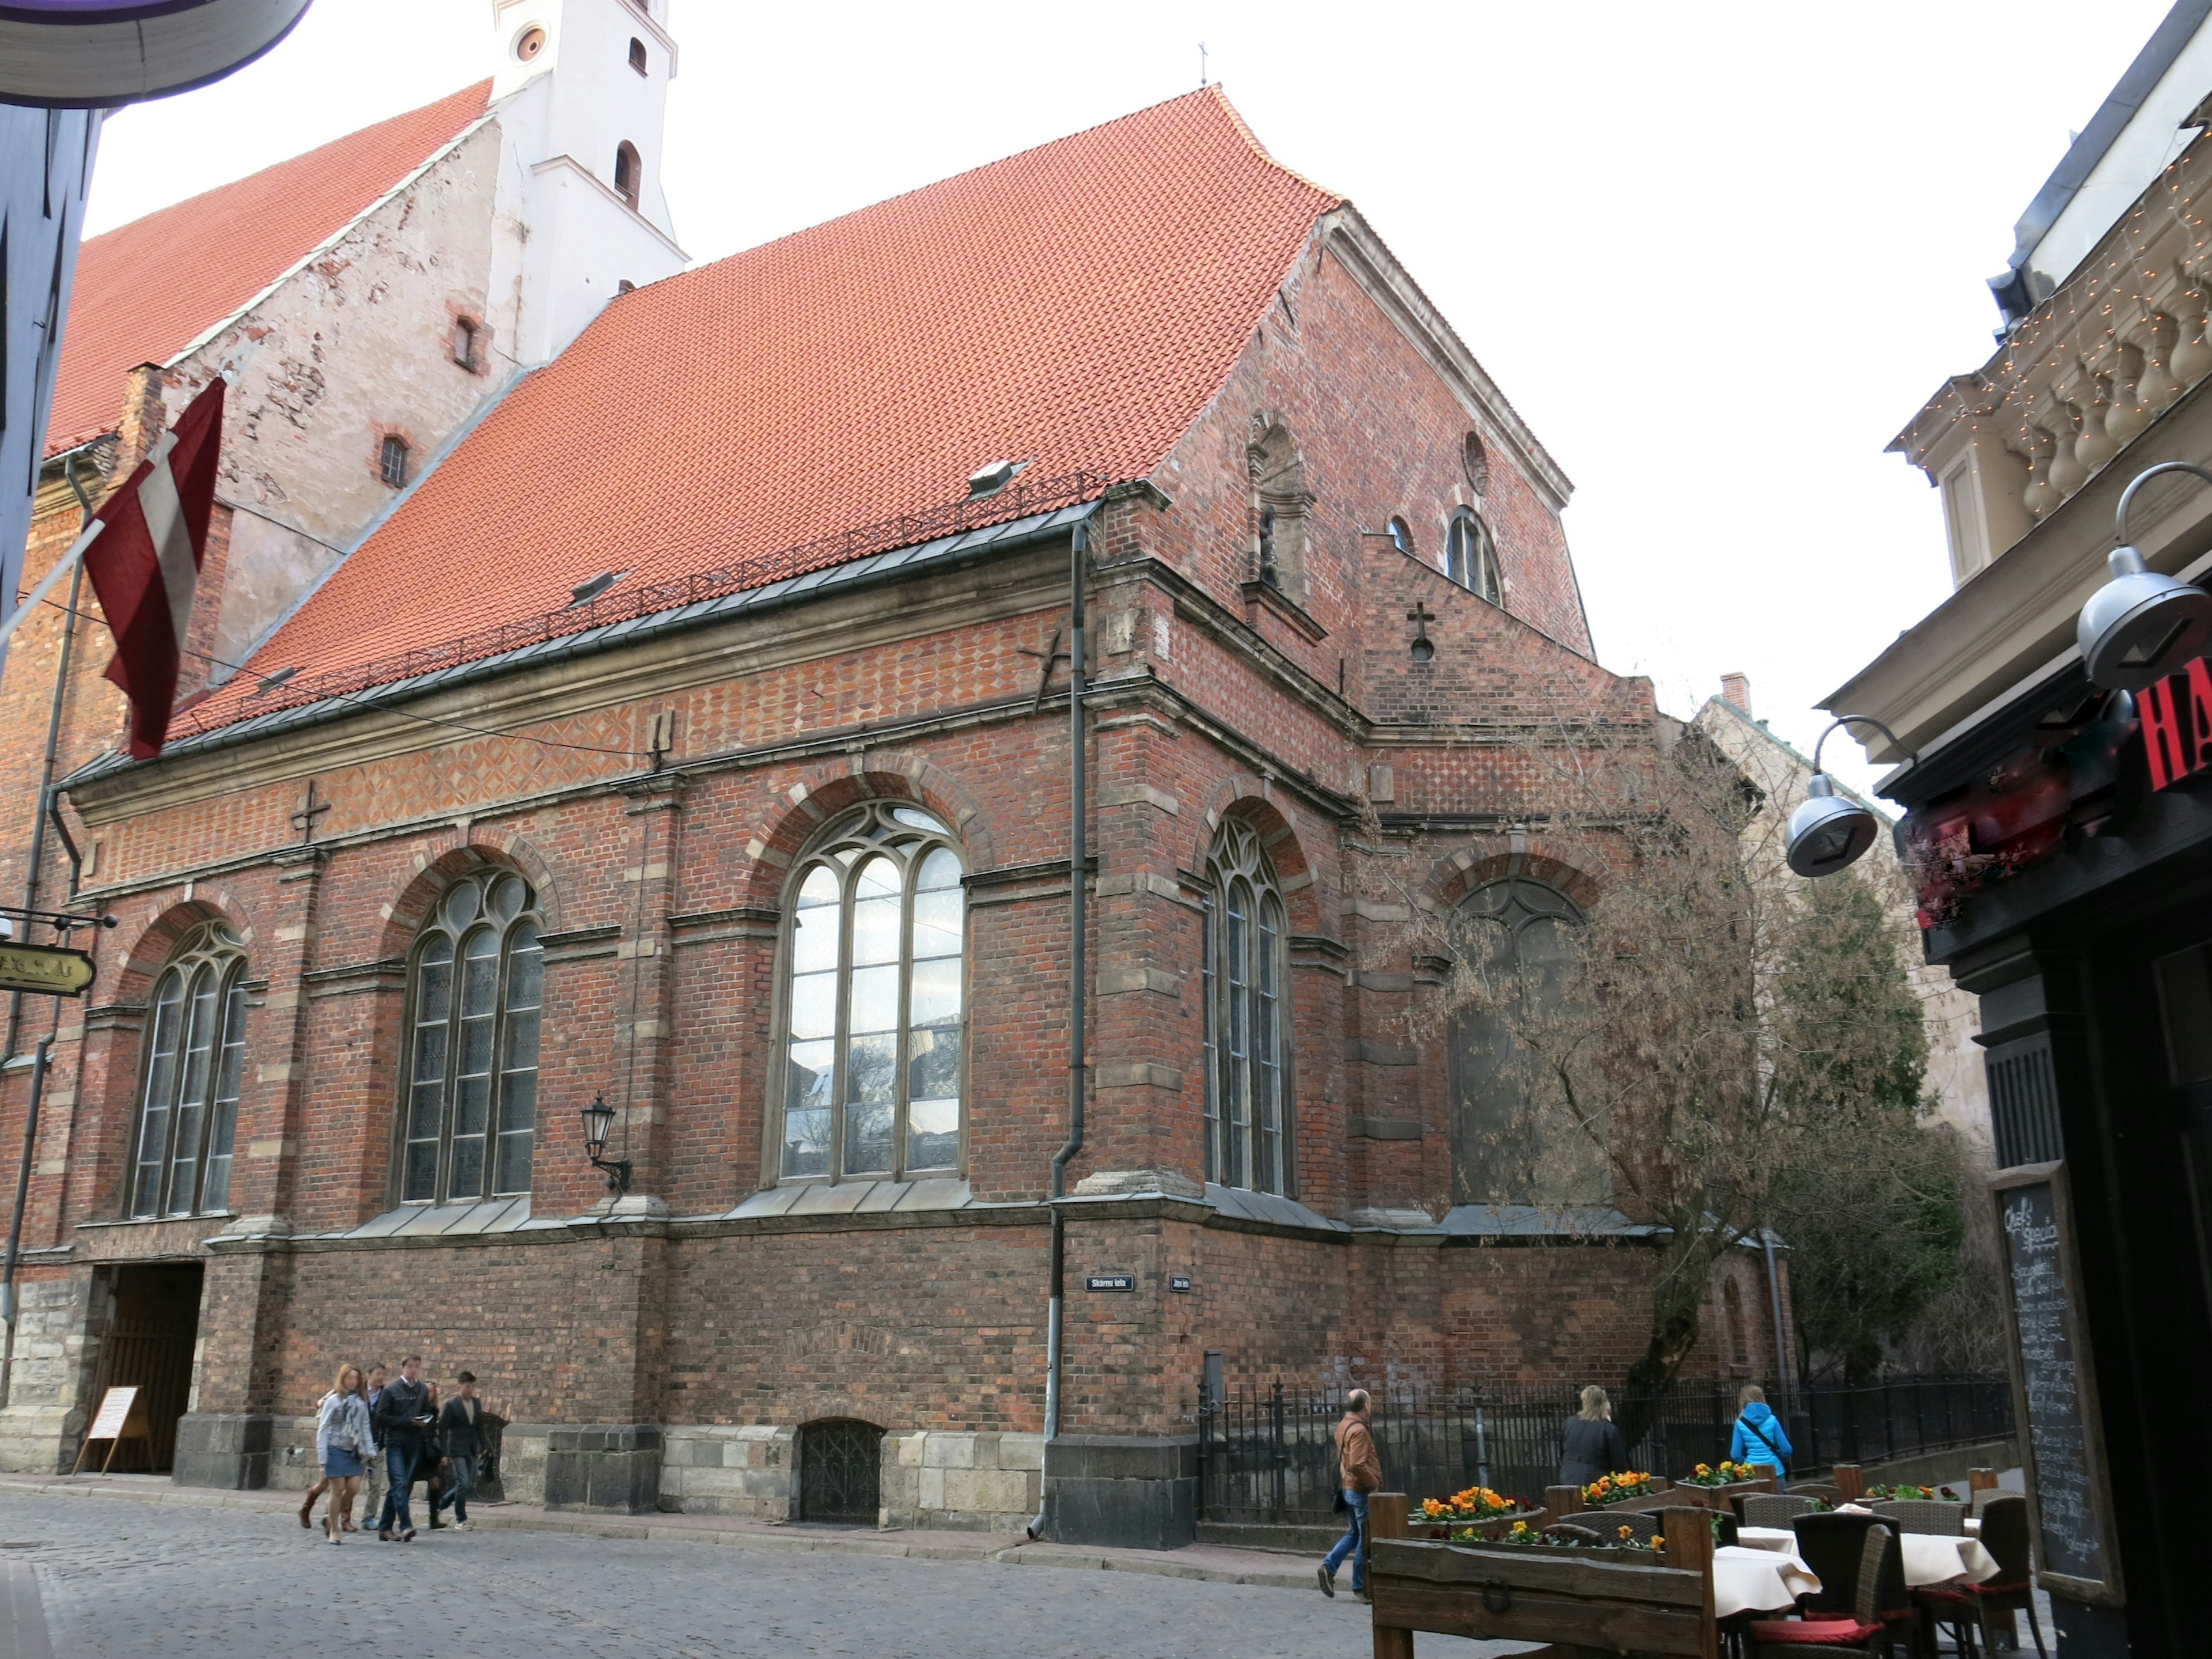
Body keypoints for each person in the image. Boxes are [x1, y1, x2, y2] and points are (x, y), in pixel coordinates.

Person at [1319, 1388, 1381, 1601]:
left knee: (1354, 1534)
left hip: (1347, 1488)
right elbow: (1357, 1464)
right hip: (1359, 1490)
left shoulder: (1344, 1425)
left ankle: (1329, 1566)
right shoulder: (1360, 1431)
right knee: (1365, 1539)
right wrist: (1374, 1484)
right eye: (1370, 1403)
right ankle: (1360, 1587)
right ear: (1366, 1406)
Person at [371, 1354, 434, 1541]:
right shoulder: (391, 1390)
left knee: (401, 1485)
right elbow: (381, 1416)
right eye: (411, 1366)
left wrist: (425, 1421)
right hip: (395, 1442)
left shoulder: (422, 1389)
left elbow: (426, 1411)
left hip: (414, 1443)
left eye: (417, 1366)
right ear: (403, 1368)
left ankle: (385, 1527)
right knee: (399, 1483)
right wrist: (408, 1422)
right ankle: (406, 1525)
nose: (414, 1369)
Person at [313, 1366, 376, 1545]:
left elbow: (365, 1426)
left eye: (356, 1379)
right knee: (338, 1488)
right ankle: (334, 1529)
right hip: (335, 1448)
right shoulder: (333, 1401)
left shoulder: (361, 1402)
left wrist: (370, 1449)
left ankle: (330, 1515)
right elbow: (323, 1428)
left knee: (354, 1488)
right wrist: (322, 1456)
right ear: (342, 1380)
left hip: (354, 1449)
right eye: (349, 1378)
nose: (353, 1382)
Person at [432, 1372, 486, 1531]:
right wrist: (445, 1453)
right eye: (467, 1387)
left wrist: (486, 1446)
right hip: (456, 1449)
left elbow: (479, 1427)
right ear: (460, 1386)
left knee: (468, 1485)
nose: (470, 1390)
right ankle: (461, 1519)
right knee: (464, 1482)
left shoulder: (476, 1404)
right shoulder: (452, 1406)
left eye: (472, 1387)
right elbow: (443, 1429)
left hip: (471, 1448)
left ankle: (440, 1505)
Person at [1559, 1384, 1633, 1490]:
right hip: (1596, 1484)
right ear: (1604, 1403)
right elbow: (1619, 1464)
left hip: (1568, 1478)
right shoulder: (1609, 1429)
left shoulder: (1570, 1423)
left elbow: (1563, 1452)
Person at [1730, 1383, 1793, 1480]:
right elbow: (1787, 1449)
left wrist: (1746, 1462)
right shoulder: (1772, 1420)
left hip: (1751, 1472)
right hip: (1775, 1470)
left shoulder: (1740, 1423)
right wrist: (1776, 1455)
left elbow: (1735, 1454)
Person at [357, 1363, 389, 1529]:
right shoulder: (358, 1393)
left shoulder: (387, 1395)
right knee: (352, 1484)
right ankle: (336, 1512)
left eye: (383, 1374)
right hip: (359, 1445)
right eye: (378, 1374)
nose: (381, 1377)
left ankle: (369, 1518)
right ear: (369, 1374)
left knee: (375, 1485)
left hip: (378, 1445)